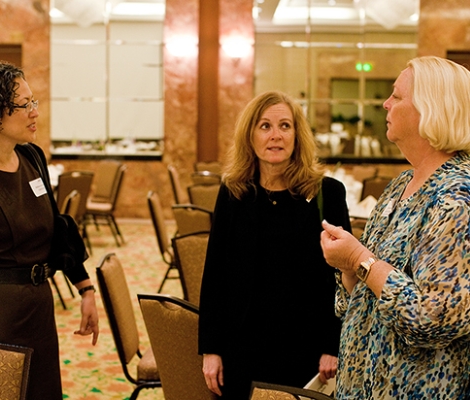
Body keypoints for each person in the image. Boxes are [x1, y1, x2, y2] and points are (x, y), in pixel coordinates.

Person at [320, 55, 470, 399]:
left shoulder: (457, 197)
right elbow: (353, 302)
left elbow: (433, 319)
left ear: (431, 110)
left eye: (397, 96)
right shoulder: (400, 185)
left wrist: (359, 257)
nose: (386, 104)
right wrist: (348, 265)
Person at [198, 90, 351, 399]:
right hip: (241, 348)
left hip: (305, 349)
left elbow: (342, 280)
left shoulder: (326, 194)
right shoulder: (234, 193)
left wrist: (332, 346)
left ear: (297, 135)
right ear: (250, 135)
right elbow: (216, 275)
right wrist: (211, 349)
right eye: (265, 126)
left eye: (285, 126)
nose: (275, 136)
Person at [0, 62, 99, 399]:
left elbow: (57, 228)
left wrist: (85, 287)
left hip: (39, 309)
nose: (34, 112)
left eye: (34, 102)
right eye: (24, 105)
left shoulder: (31, 157)